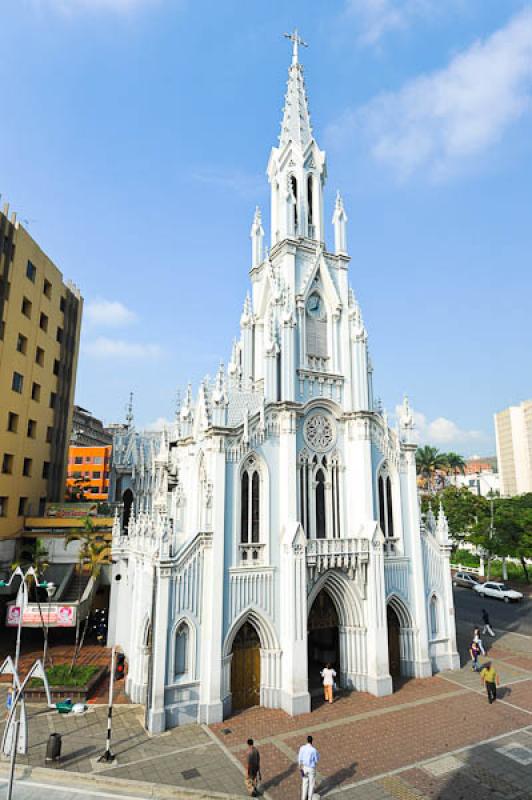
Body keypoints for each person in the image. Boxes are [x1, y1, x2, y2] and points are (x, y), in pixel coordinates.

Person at [298, 735, 320, 800]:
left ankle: (303, 798)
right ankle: (309, 798)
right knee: (311, 784)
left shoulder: (302, 748)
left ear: (307, 740)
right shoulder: (313, 750)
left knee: (304, 783)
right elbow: (316, 760)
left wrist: (300, 766)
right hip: (311, 768)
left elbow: (299, 758)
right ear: (312, 741)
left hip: (304, 767)